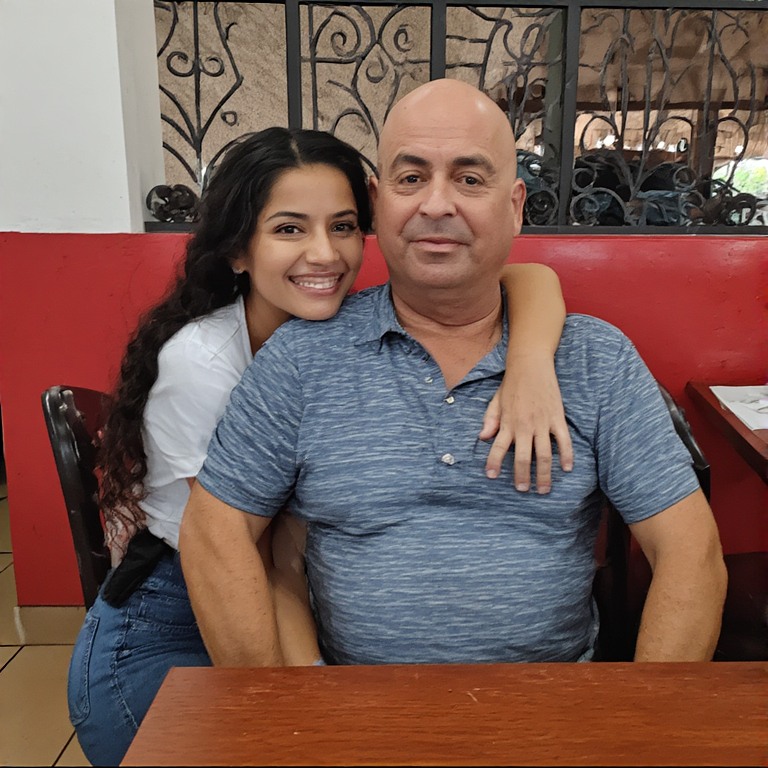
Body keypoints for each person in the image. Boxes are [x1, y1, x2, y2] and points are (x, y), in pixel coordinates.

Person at [67, 124, 571, 766]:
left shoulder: (340, 330)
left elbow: (530, 278)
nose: (323, 255)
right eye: (288, 229)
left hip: (279, 592)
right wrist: (304, 698)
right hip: (174, 616)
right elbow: (242, 553)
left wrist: (530, 362)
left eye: (341, 227)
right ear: (238, 251)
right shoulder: (205, 365)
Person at [180, 79, 727, 669]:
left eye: (469, 179)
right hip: (358, 718)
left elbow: (689, 551)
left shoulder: (596, 360)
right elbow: (215, 533)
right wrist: (277, 720)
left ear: (515, 206)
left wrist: (649, 726)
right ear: (377, 199)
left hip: (552, 711)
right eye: (411, 178)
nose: (436, 205)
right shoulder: (301, 359)